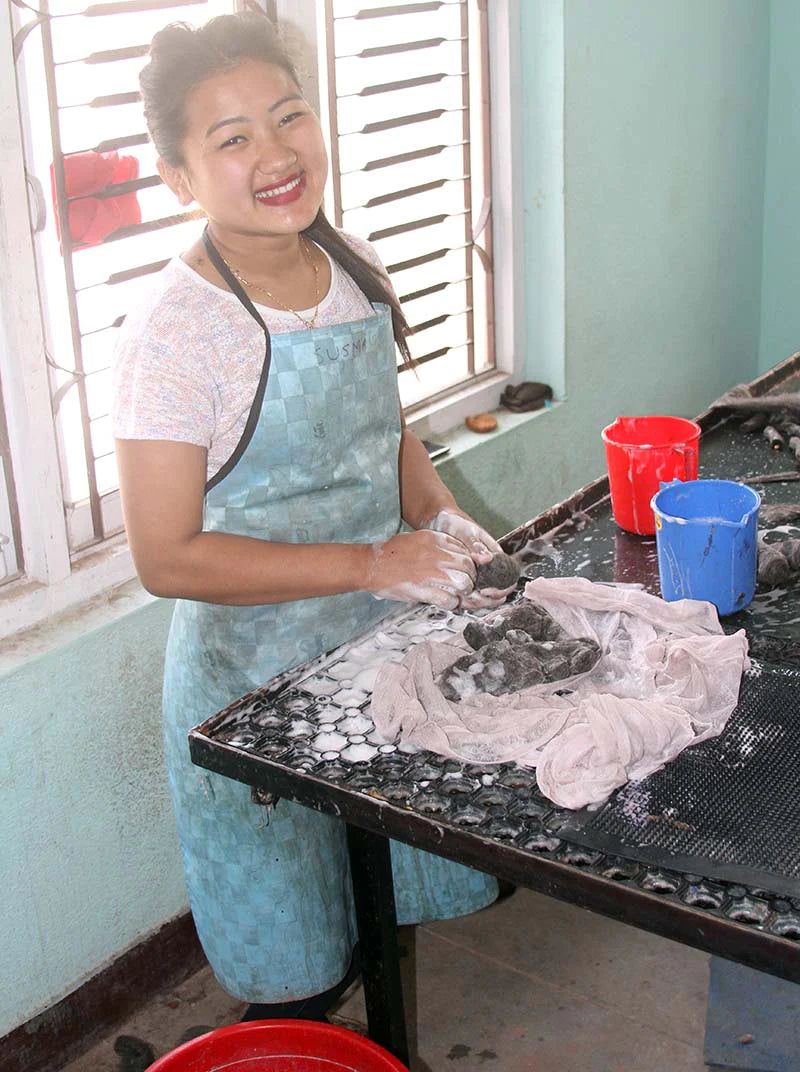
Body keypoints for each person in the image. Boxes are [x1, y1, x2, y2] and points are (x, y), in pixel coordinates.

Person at [113, 10, 513, 1021]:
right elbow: (165, 555)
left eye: (288, 116)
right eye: (232, 137)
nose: (277, 153)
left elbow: (382, 435)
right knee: (298, 961)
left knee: (388, 887)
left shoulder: (346, 267)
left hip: (373, 646)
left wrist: (441, 514)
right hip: (248, 690)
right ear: (176, 177)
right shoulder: (177, 331)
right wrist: (372, 561)